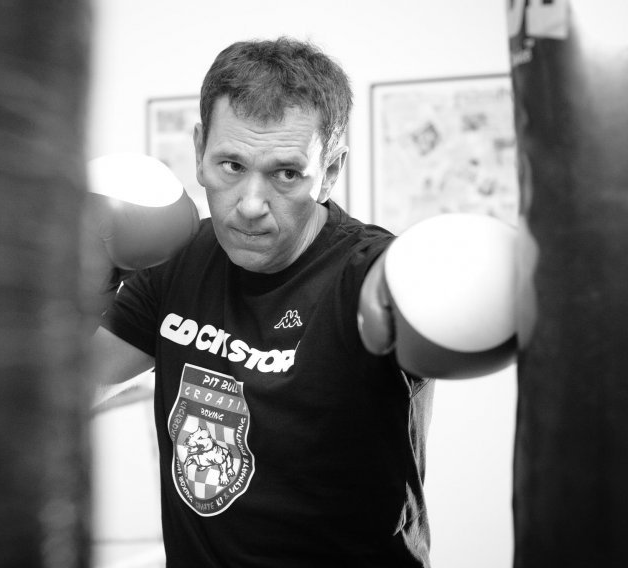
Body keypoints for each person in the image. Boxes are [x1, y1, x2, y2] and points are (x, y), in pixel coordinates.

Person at [93, 37, 434, 567]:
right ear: (199, 151)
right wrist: (87, 274)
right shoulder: (176, 261)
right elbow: (71, 382)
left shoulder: (374, 275)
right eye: (231, 165)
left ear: (331, 171)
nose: (251, 205)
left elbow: (440, 321)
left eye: (286, 173)